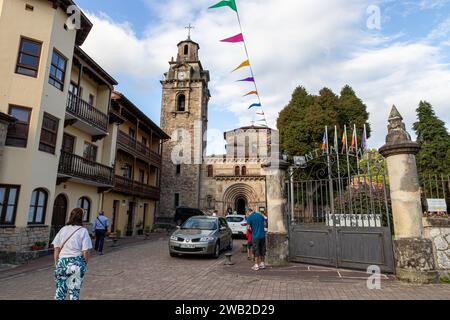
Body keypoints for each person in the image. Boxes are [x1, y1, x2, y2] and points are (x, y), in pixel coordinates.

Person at [52, 208, 92, 300]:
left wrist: (56, 263)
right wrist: (85, 263)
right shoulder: (83, 231)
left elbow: (56, 248)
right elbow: (85, 251)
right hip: (76, 263)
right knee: (74, 293)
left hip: (62, 263)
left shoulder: (63, 229)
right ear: (81, 218)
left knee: (60, 291)